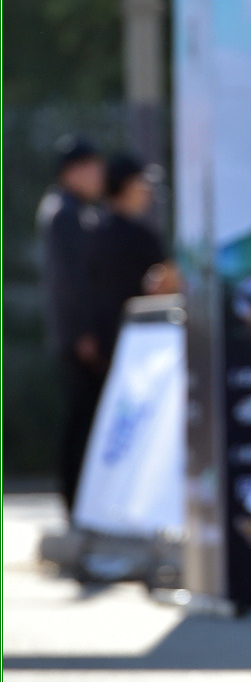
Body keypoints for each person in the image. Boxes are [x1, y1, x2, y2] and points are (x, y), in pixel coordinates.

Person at [35, 135, 106, 516]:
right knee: (82, 418)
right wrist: (83, 333)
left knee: (83, 417)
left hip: (75, 334)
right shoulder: (64, 213)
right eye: (92, 168)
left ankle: (81, 500)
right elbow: (70, 280)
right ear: (72, 172)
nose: (99, 176)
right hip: (77, 336)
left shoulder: (69, 209)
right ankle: (77, 501)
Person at [89, 154, 175, 361]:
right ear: (126, 185)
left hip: (101, 342)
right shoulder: (141, 237)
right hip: (139, 340)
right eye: (141, 182)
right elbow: (169, 281)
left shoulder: (92, 231)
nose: (148, 191)